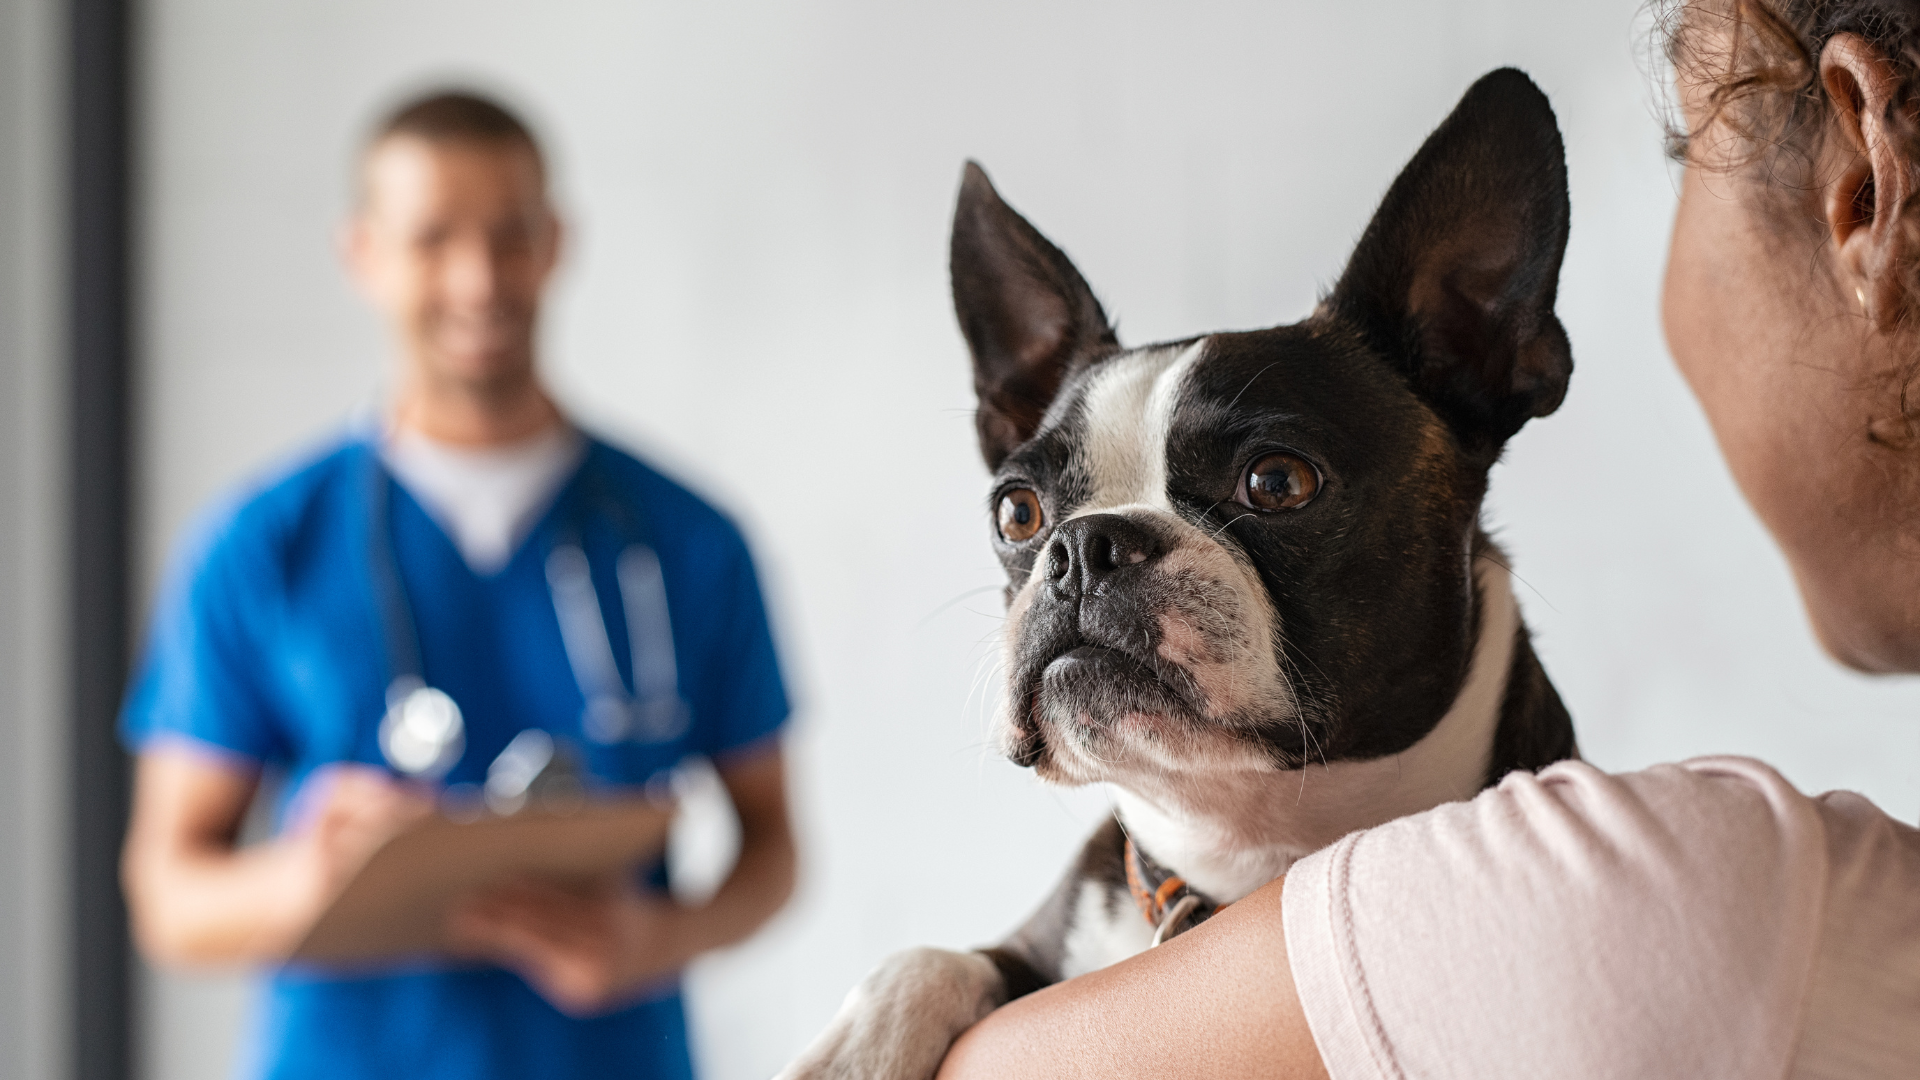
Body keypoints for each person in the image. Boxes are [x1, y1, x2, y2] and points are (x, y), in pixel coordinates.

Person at [935, 2, 1920, 1077]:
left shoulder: (1619, 900)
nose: (1075, 562)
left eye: (1274, 482)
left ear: (1866, 189)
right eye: (1030, 519)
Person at [119, 91, 796, 1080]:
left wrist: (653, 940)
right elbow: (168, 900)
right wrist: (309, 877)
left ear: (556, 242)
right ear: (363, 254)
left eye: (509, 236)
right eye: (433, 239)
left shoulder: (687, 540)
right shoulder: (263, 547)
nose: (479, 280)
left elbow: (773, 851)